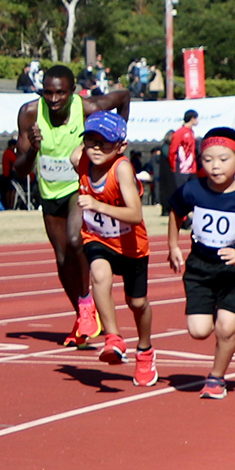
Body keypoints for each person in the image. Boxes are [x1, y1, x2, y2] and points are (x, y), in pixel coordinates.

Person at [11, 63, 130, 348]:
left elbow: (124, 97)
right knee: (62, 256)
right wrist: (33, 150)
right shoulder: (30, 113)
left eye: (60, 93)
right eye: (48, 93)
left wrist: (116, 143)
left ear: (72, 92)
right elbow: (19, 168)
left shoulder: (88, 107)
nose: (53, 100)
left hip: (79, 186)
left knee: (77, 240)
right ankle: (84, 311)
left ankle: (89, 305)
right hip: (49, 191)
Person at [166, 128, 235, 400]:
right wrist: (172, 245)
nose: (215, 166)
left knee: (225, 327)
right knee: (199, 331)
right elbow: (175, 211)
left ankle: (216, 378)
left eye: (223, 159)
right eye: (208, 159)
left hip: (234, 274)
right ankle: (225, 316)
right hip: (200, 270)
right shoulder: (192, 190)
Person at [73, 111, 157, 387]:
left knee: (137, 303)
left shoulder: (121, 168)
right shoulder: (80, 160)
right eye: (91, 141)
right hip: (98, 238)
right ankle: (113, 337)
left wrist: (97, 205)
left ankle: (144, 350)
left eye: (105, 142)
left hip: (131, 244)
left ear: (121, 146)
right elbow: (76, 150)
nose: (96, 148)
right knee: (98, 275)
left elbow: (135, 214)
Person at [169, 109, 198, 193]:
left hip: (192, 167)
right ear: (192, 119)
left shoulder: (191, 132)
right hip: (182, 167)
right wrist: (174, 166)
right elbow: (172, 150)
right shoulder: (180, 132)